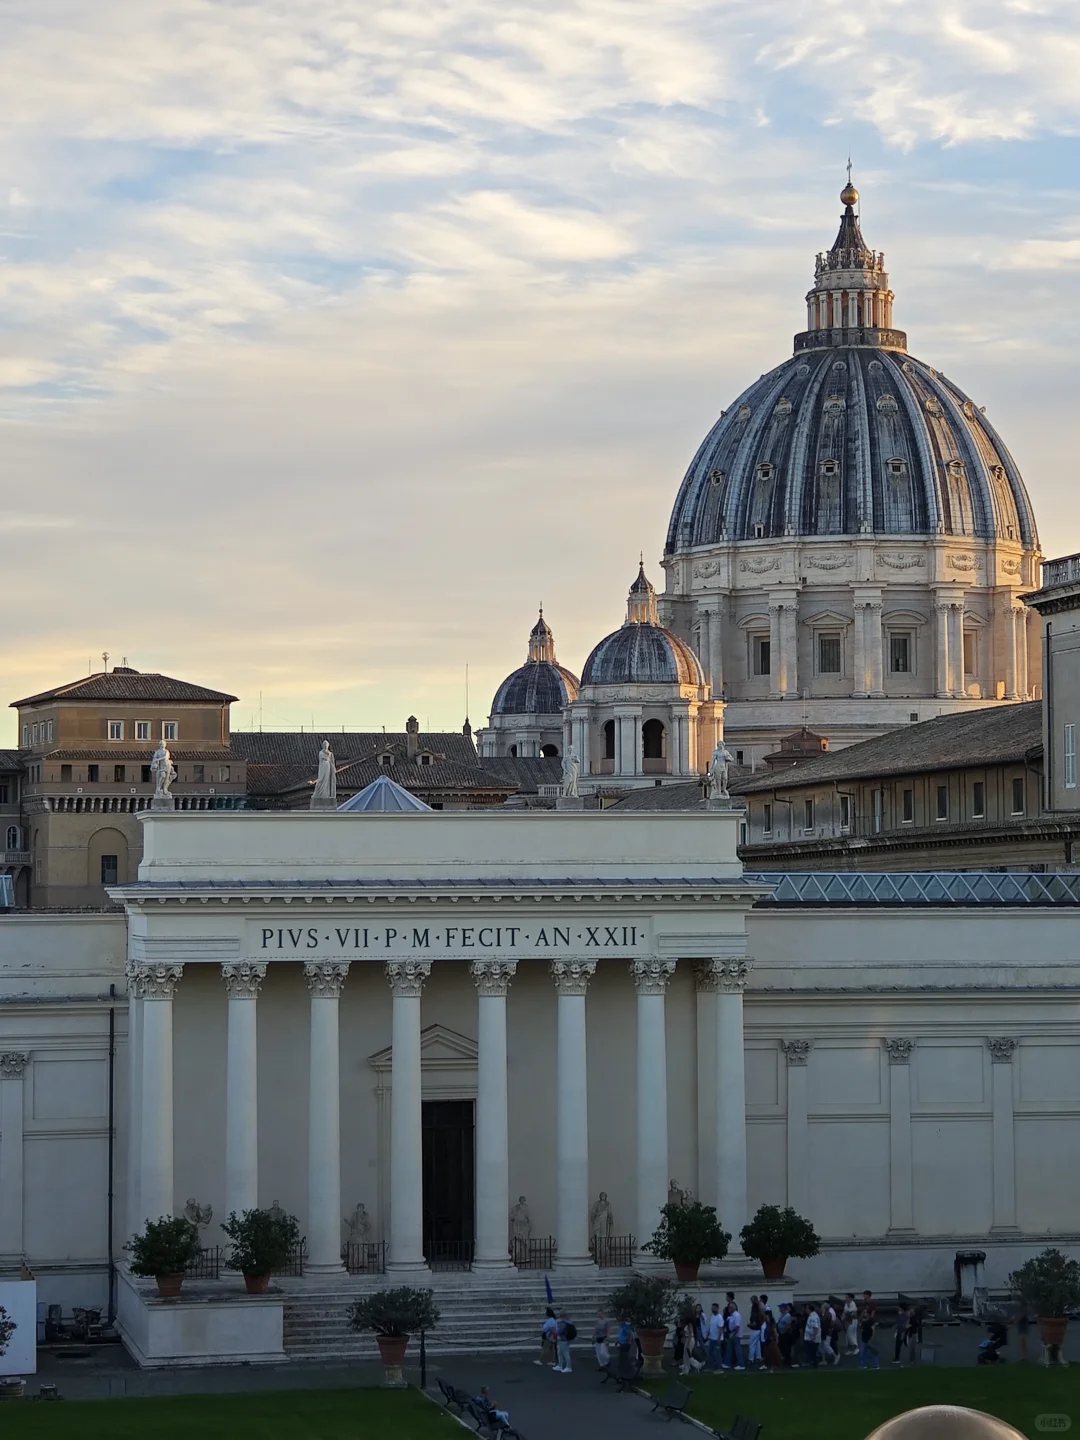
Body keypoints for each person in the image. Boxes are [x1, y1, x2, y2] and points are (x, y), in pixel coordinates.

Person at [859, 1298, 880, 1370]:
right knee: (863, 1352)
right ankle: (863, 1365)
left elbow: (873, 1329)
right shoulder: (863, 1321)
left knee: (873, 1352)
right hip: (863, 1338)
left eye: (865, 1312)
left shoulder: (871, 1321)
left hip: (869, 1338)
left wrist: (872, 1338)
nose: (864, 1313)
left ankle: (876, 1365)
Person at [725, 1293, 744, 1371]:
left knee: (737, 1350)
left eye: (731, 1307)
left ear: (735, 1308)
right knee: (729, 1349)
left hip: (735, 1335)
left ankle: (741, 1364)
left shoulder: (736, 1315)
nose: (729, 1308)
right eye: (729, 1307)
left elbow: (737, 1327)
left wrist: (733, 1335)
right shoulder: (732, 1315)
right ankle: (727, 1363)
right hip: (732, 1335)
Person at [747, 1295, 764, 1367]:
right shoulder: (760, 1311)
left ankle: (751, 1358)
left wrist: (749, 1325)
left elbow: (754, 1323)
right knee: (757, 1344)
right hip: (759, 1328)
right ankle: (758, 1357)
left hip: (754, 1329)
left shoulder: (754, 1312)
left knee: (752, 1344)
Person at [803, 1302, 822, 1368]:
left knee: (812, 1352)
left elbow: (815, 1328)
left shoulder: (813, 1317)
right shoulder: (811, 1316)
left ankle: (813, 1364)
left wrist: (813, 1337)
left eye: (806, 1308)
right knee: (811, 1352)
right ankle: (812, 1363)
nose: (805, 1310)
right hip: (810, 1337)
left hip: (812, 1338)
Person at [820, 1299, 838, 1365]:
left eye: (822, 1308)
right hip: (825, 1331)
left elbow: (828, 1324)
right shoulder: (826, 1314)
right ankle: (824, 1360)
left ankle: (835, 1356)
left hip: (827, 1332)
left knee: (826, 1345)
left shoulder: (827, 1315)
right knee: (822, 1345)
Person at [777, 1302, 795, 1368]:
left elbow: (788, 1325)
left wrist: (784, 1332)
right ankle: (785, 1359)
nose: (779, 1309)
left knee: (786, 1348)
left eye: (780, 1308)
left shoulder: (787, 1316)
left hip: (785, 1334)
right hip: (781, 1333)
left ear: (783, 1308)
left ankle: (788, 1361)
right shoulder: (782, 1315)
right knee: (781, 1346)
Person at [706, 1302, 723, 1371]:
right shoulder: (712, 1316)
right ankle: (710, 1367)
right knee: (710, 1353)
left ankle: (720, 1368)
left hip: (717, 1339)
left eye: (714, 1308)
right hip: (712, 1338)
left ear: (717, 1308)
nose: (712, 1309)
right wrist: (707, 1335)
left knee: (717, 1354)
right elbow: (711, 1327)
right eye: (712, 1308)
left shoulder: (719, 1317)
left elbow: (720, 1329)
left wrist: (719, 1339)